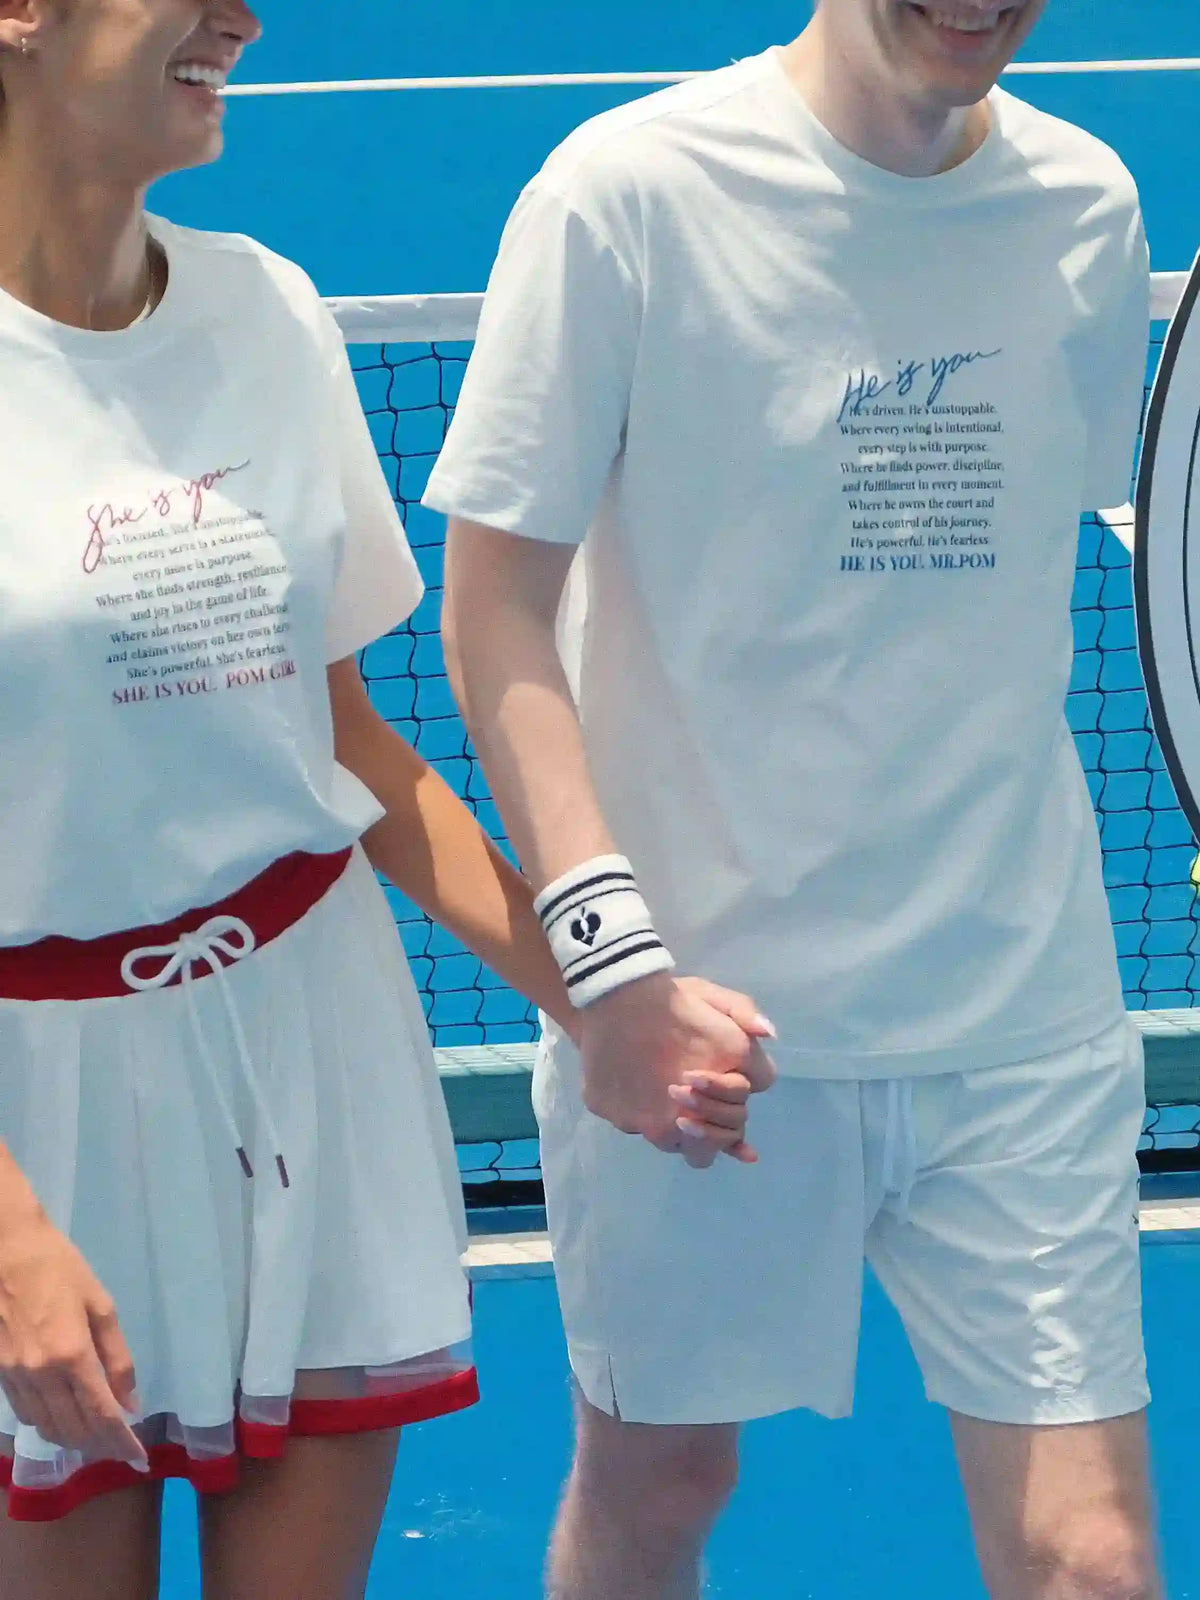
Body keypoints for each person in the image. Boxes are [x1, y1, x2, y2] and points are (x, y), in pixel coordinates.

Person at [0, 2, 765, 1596]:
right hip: (36, 1111)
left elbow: (347, 738)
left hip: (310, 1054)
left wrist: (600, 1000)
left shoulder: (267, 310)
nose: (241, 17)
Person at [424, 1, 1162, 1596]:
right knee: (659, 1491)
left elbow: (1091, 547)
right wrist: (611, 971)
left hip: (1015, 1010)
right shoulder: (623, 194)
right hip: (706, 1030)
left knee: (1094, 1558)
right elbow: (488, 609)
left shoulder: (1088, 208)